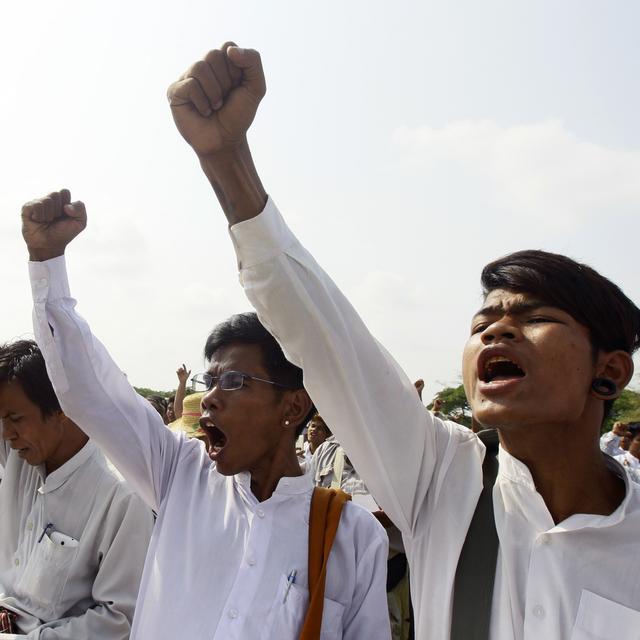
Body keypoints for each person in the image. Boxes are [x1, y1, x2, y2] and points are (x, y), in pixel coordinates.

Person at [162, 43, 640, 639]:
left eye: (536, 317)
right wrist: (227, 159)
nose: (496, 329)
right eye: (481, 323)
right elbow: (322, 332)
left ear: (611, 370)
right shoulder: (445, 477)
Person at [21, 193, 391, 639]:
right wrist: (47, 264)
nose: (212, 399)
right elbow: (91, 392)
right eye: (208, 382)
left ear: (293, 406)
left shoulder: (352, 537)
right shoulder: (179, 474)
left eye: (234, 382)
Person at [0, 339, 153, 638]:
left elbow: (120, 619)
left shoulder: (120, 495)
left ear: (63, 410)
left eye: (15, 419)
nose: (7, 434)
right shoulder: (20, 452)